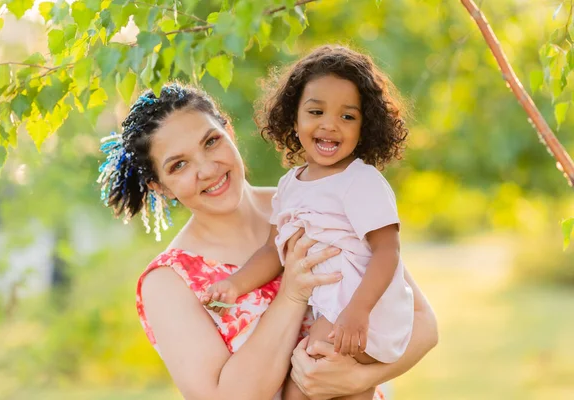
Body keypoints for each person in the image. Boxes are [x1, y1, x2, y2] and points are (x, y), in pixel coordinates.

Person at [97, 79, 437, 399]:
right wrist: (291, 293)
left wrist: (359, 379)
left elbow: (422, 323)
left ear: (228, 131)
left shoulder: (309, 203)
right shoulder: (169, 282)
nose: (207, 169)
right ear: (160, 187)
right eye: (179, 165)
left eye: (211, 141)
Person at [203, 45, 413, 400]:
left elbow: (387, 250)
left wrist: (357, 312)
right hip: (332, 310)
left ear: (366, 126)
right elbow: (274, 249)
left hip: (361, 308)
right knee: (315, 378)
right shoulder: (289, 186)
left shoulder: (361, 181)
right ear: (294, 118)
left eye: (348, 117)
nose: (330, 125)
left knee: (311, 370)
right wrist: (236, 285)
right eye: (316, 111)